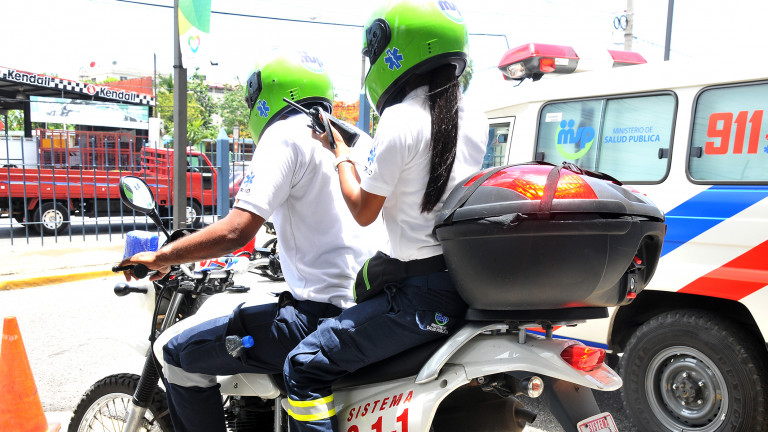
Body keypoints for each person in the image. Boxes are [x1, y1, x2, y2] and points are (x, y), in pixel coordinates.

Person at [118, 50, 384, 432]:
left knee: (176, 354)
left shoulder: (285, 134)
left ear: (263, 96)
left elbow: (235, 231)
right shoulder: (354, 139)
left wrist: (164, 256)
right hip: (370, 313)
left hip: (318, 317)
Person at [281, 1, 489, 431]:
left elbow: (363, 210)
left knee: (302, 365)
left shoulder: (399, 118)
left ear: (391, 50)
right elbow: (421, 169)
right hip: (458, 284)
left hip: (416, 297)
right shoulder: (474, 118)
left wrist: (340, 155)